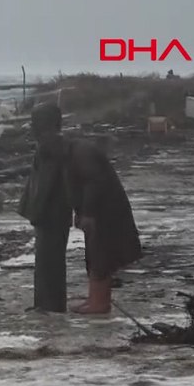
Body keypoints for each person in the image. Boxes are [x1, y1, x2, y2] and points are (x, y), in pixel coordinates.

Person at [64, 130, 143, 314]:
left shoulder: (81, 153)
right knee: (94, 255)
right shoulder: (76, 152)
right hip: (99, 210)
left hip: (104, 211)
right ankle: (94, 298)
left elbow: (93, 182)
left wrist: (88, 212)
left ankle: (99, 303)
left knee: (101, 256)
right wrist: (80, 211)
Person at [17, 102, 73, 312]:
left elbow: (45, 182)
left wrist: (36, 210)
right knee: (52, 260)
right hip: (59, 210)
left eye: (35, 121)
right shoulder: (58, 144)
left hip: (50, 211)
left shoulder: (48, 147)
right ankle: (49, 303)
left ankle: (48, 304)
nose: (32, 125)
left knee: (47, 260)